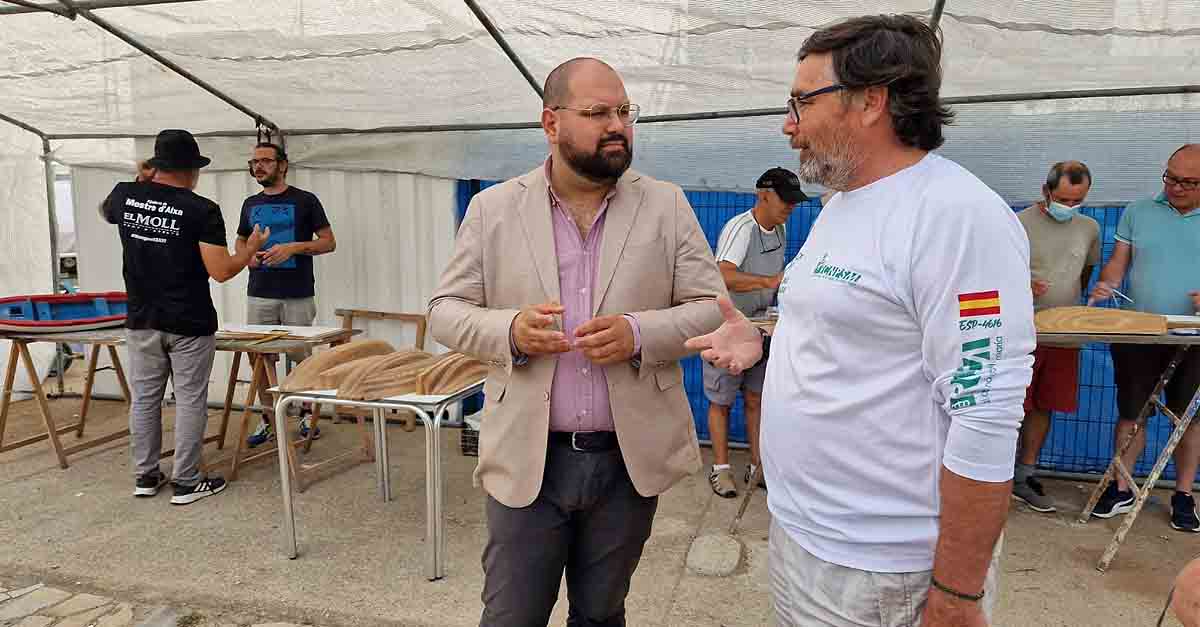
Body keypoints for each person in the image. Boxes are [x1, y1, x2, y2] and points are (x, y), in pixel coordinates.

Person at [686, 15, 1036, 626]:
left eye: (802, 101)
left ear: (872, 100)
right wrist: (762, 335)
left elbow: (985, 413)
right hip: (804, 537)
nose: (788, 125)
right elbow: (846, 323)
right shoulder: (841, 206)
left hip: (885, 568)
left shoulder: (956, 216)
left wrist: (956, 593)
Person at [428, 57, 725, 627]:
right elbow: (445, 312)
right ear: (551, 123)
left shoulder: (665, 204)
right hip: (528, 459)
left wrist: (639, 332)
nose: (616, 125)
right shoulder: (493, 208)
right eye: (595, 113)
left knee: (600, 614)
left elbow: (712, 309)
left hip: (625, 463)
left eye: (623, 111)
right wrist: (510, 330)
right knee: (512, 616)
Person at [102, 129, 269, 505]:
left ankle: (145, 476)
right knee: (190, 399)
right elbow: (222, 271)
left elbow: (106, 210)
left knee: (145, 398)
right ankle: (187, 480)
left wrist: (139, 179)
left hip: (142, 317)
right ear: (192, 169)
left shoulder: (124, 195)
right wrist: (251, 250)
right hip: (189, 320)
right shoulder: (201, 209)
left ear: (156, 165)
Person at [1088, 144, 1200, 531]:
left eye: (1188, 182)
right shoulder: (1138, 211)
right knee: (1131, 413)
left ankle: (1184, 495)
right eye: (1170, 177)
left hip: (1194, 334)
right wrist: (1107, 283)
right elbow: (1120, 261)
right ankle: (1122, 488)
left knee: (1189, 420)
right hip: (1139, 330)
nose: (1176, 187)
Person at [705, 167, 803, 498]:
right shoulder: (741, 228)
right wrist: (768, 283)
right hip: (729, 328)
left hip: (760, 326)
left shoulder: (781, 228)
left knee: (756, 397)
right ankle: (720, 470)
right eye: (786, 200)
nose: (791, 207)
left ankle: (757, 465)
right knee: (722, 400)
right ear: (763, 195)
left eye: (794, 202)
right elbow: (723, 275)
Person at [1012, 161, 1100, 513]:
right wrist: (1023, 286)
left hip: (1063, 334)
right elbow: (993, 274)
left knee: (1045, 405)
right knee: (1010, 405)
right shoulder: (1017, 224)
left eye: (1077, 201)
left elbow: (1085, 275)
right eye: (1063, 199)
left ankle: (1025, 475)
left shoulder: (1089, 228)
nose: (1070, 207)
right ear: (1046, 191)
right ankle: (994, 477)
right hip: (1021, 333)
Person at [236, 142, 336, 447]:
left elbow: (329, 242)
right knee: (259, 359)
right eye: (254, 162)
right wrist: (247, 257)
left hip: (298, 293)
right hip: (260, 293)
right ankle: (269, 418)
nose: (259, 167)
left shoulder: (306, 201)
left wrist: (294, 247)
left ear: (283, 165)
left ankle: (306, 413)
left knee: (301, 357)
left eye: (265, 161)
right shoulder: (249, 203)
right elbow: (240, 242)